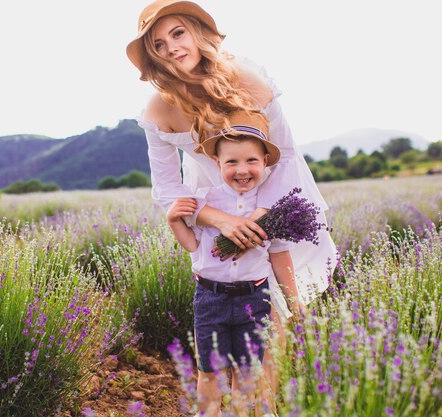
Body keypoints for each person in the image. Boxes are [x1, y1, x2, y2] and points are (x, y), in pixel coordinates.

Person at [126, 0, 337, 413]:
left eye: (177, 34)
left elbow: (287, 156)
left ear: (196, 32)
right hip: (208, 205)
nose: (170, 48)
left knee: (273, 308)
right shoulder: (158, 109)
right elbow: (167, 190)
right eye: (158, 43)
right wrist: (220, 220)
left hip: (275, 195)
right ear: (151, 55)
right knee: (231, 306)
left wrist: (265, 217)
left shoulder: (246, 78)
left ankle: (264, 407)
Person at [167, 111, 302, 416]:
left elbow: (279, 254)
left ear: (265, 160)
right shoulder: (204, 200)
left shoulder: (271, 208)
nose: (242, 170)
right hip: (210, 299)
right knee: (210, 374)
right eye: (231, 162)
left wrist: (295, 302)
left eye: (251, 161)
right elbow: (192, 245)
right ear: (217, 163)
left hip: (254, 300)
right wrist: (173, 219)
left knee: (247, 375)